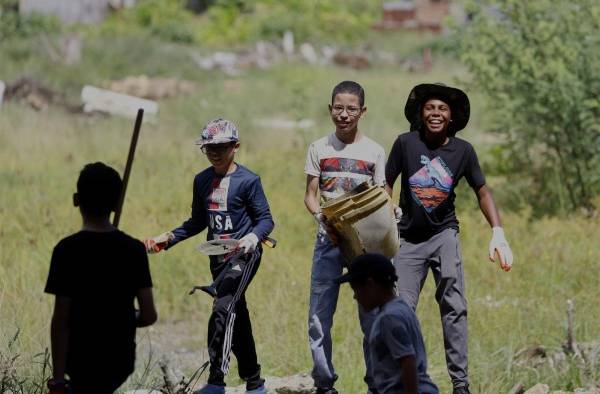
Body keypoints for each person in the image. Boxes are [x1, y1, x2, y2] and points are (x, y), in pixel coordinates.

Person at [385, 83, 514, 394]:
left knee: (454, 306)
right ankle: (402, 382)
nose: (436, 113)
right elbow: (385, 182)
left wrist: (498, 231)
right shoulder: (405, 143)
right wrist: (386, 209)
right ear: (420, 113)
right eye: (430, 108)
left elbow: (482, 191)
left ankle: (460, 384)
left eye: (442, 109)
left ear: (452, 117)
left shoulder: (463, 151)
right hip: (407, 239)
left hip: (444, 234)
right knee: (401, 310)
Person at [144, 118, 274, 394]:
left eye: (221, 147)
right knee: (237, 314)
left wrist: (252, 238)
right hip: (217, 257)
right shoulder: (202, 180)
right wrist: (167, 239)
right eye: (208, 148)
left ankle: (216, 381)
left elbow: (265, 219)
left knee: (223, 307)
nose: (214, 153)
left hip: (244, 255)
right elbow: (197, 221)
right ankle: (255, 381)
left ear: (236, 146)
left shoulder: (249, 180)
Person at [45, 162, 157, 394]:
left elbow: (61, 319)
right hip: (119, 360)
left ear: (76, 200)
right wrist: (120, 317)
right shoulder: (134, 250)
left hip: (78, 359)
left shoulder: (66, 250)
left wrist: (57, 380)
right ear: (118, 203)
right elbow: (148, 315)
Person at [304, 80, 387, 394]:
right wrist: (322, 220)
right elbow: (311, 196)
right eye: (338, 108)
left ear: (362, 111)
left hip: (364, 246)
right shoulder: (319, 148)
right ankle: (324, 383)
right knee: (319, 315)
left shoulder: (374, 151)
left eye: (351, 108)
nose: (344, 114)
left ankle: (376, 384)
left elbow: (380, 196)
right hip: (328, 240)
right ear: (330, 110)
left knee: (372, 315)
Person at [336, 253, 439, 394]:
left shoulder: (389, 318)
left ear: (370, 284)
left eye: (356, 290)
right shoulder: (402, 308)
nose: (355, 296)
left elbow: (408, 361)